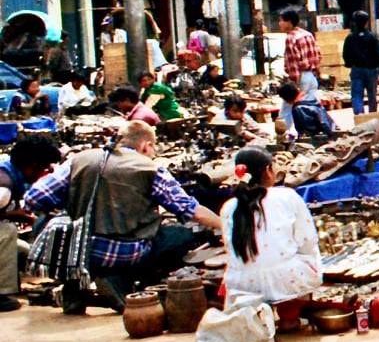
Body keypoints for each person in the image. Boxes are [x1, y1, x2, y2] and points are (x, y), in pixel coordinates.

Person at [24, 121, 223, 313]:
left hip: (78, 250)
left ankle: (75, 285)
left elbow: (33, 199)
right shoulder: (151, 169)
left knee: (54, 223)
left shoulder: (79, 159)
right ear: (146, 145)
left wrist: (68, 208)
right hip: (127, 253)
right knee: (182, 235)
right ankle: (123, 281)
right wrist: (225, 225)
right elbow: (190, 210)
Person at [219, 146, 322, 330]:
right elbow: (307, 239)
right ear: (268, 171)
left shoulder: (229, 207)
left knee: (244, 266)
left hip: (243, 284)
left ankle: (256, 321)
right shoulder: (287, 196)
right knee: (307, 257)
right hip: (287, 278)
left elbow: (230, 249)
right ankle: (289, 318)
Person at [0, 133, 61, 314]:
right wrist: (13, 215)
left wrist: (16, 215)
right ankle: (2, 294)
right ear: (33, 167)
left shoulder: (8, 170)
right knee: (7, 232)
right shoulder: (4, 187)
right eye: (44, 169)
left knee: (25, 253)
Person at [342, 11, 379, 116]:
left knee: (356, 94)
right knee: (372, 95)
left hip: (357, 69)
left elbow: (345, 54)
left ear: (354, 23)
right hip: (371, 69)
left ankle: (359, 115)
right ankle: (373, 115)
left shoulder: (350, 38)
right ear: (366, 22)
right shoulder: (372, 37)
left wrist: (349, 63)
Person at [277, 9, 322, 104]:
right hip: (312, 77)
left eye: (281, 20)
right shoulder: (308, 34)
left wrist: (294, 83)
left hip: (301, 78)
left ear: (289, 22)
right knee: (310, 106)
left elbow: (294, 63)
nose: (279, 23)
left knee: (291, 109)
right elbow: (318, 56)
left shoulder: (291, 38)